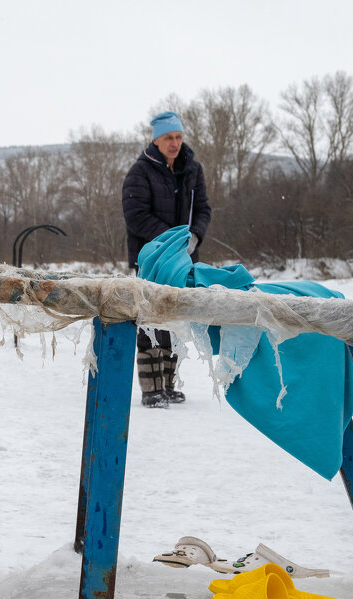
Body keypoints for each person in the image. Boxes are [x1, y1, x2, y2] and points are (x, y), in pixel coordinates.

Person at [122, 110, 212, 408]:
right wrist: (170, 240)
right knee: (151, 320)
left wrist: (194, 237)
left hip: (185, 259)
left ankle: (169, 385)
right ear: (156, 141)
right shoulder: (139, 172)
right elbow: (136, 217)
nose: (175, 143)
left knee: (175, 319)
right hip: (151, 260)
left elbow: (203, 209)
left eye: (178, 136)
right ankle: (151, 389)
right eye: (168, 138)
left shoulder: (193, 170)